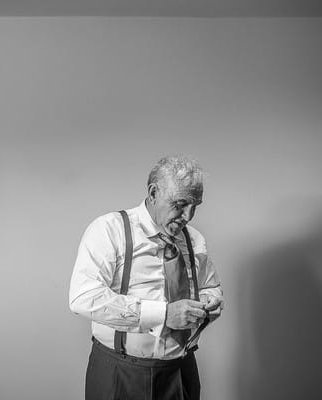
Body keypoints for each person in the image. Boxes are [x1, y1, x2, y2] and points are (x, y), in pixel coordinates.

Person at [69, 155, 223, 400]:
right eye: (181, 204)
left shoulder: (194, 239)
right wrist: (164, 315)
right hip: (121, 372)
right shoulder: (110, 230)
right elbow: (83, 297)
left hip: (181, 370)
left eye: (196, 206)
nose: (188, 216)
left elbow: (211, 287)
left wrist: (209, 302)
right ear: (153, 193)